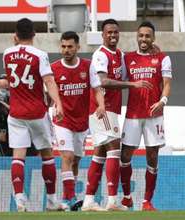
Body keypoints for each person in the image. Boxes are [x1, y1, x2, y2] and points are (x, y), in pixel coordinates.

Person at [81, 19, 153, 211]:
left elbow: (128, 70)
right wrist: (132, 85)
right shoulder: (100, 55)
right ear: (103, 35)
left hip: (112, 109)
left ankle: (88, 200)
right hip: (100, 108)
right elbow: (103, 81)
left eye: (115, 32)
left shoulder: (119, 55)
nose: (112, 36)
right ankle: (112, 201)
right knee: (114, 149)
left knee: (100, 153)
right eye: (109, 32)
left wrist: (153, 49)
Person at [3, 18, 64, 212]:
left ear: (16, 34)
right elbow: (49, 82)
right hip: (37, 112)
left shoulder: (6, 54)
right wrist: (59, 104)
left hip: (16, 113)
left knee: (18, 156)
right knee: (47, 154)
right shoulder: (40, 55)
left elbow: (16, 62)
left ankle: (20, 200)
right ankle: (52, 201)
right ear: (34, 34)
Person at [120, 21, 172, 211]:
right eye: (141, 35)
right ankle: (127, 197)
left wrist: (162, 102)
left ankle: (147, 201)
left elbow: (167, 84)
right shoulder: (127, 59)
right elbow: (119, 81)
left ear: (153, 38)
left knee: (152, 156)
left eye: (147, 36)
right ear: (137, 36)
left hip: (154, 115)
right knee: (125, 156)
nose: (143, 39)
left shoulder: (163, 58)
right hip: (132, 114)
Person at [51, 31, 105, 211]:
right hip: (62, 120)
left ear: (77, 47)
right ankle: (69, 198)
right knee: (67, 156)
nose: (66, 50)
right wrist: (54, 106)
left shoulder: (87, 66)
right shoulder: (54, 68)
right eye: (63, 46)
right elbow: (48, 93)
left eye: (70, 47)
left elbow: (97, 89)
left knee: (76, 161)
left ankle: (69, 197)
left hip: (82, 122)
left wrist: (101, 106)